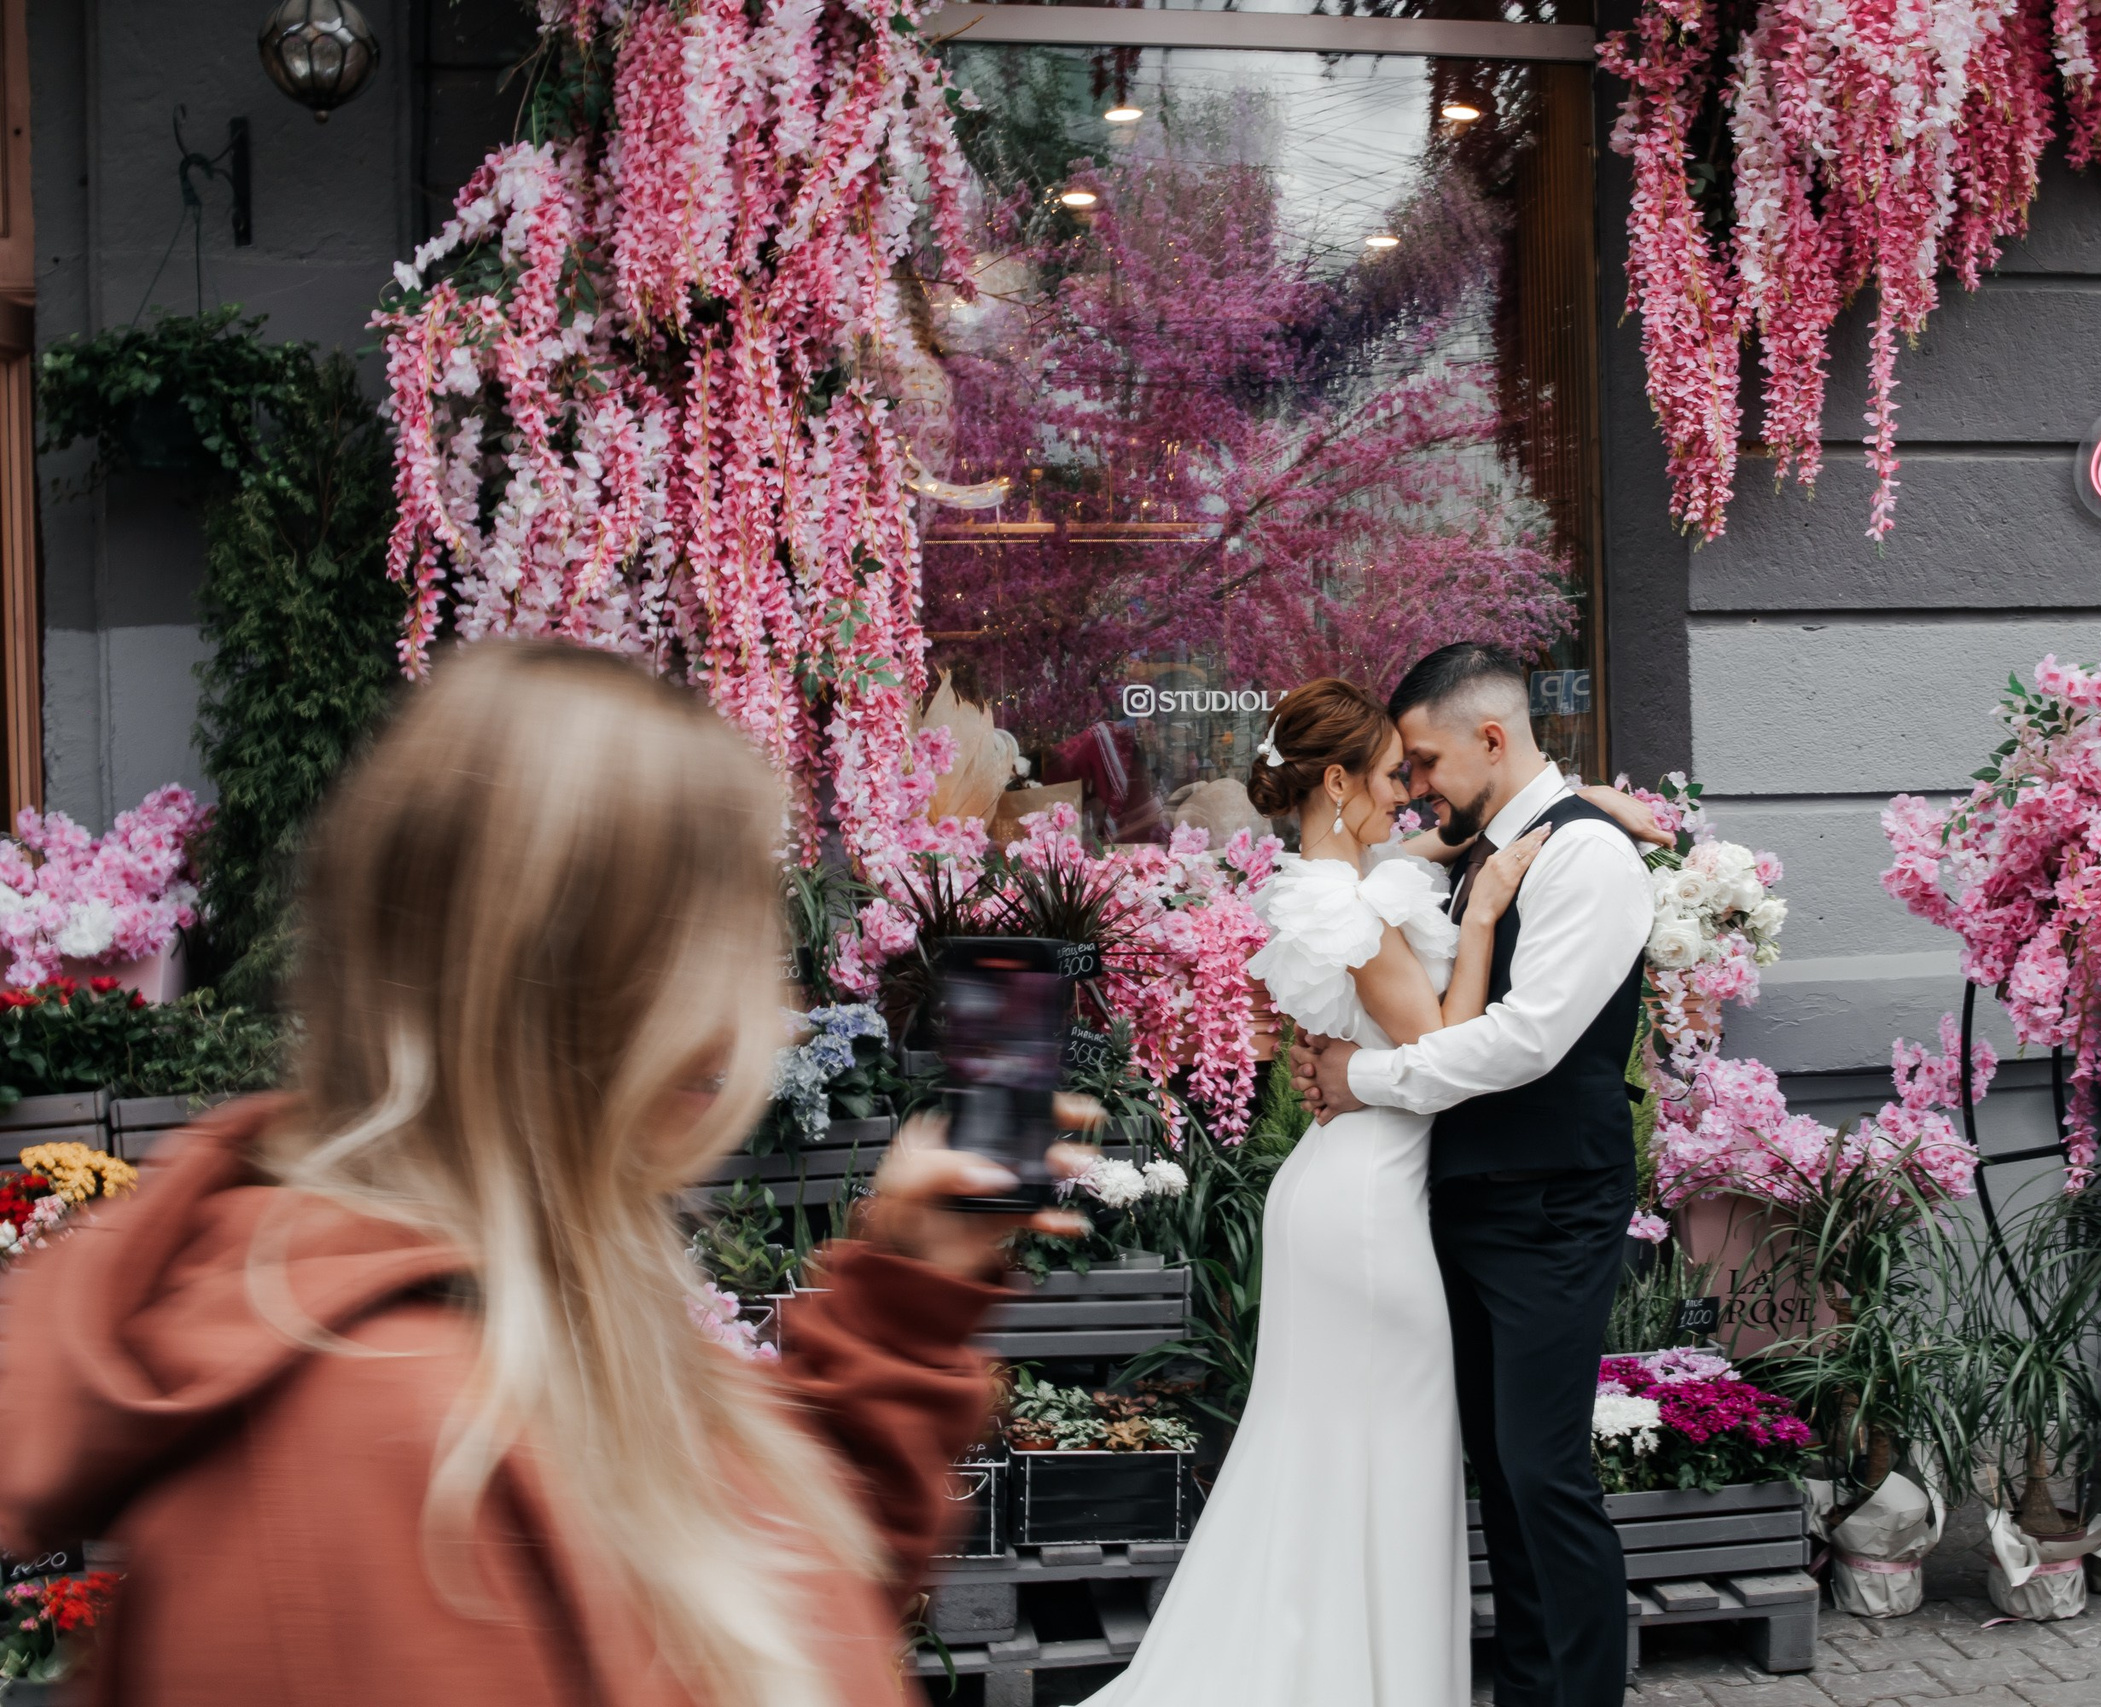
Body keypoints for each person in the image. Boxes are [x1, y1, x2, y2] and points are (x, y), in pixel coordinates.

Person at [0, 640, 1091, 1707]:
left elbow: (757, 1604)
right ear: (595, 991)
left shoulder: (538, 1337)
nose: (760, 1011)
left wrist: (905, 1292)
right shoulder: (367, 1456)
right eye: (723, 941)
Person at [1079, 676, 1550, 1707]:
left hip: (1344, 1188)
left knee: (1331, 1455)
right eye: (1392, 776)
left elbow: (1414, 863)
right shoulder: (1349, 904)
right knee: (1385, 1458)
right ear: (1336, 780)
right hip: (1370, 1207)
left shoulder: (1333, 883)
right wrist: (1485, 927)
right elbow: (1438, 1048)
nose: (1411, 797)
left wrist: (1577, 809)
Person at [1300, 643, 1657, 1707]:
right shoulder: (1481, 846)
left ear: (1491, 740)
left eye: (1422, 762)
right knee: (1503, 1478)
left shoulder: (1588, 859)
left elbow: (1526, 1040)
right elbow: (1377, 858)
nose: (1413, 788)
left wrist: (1365, 1077)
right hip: (1472, 1199)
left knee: (1543, 1474)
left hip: (1550, 1199)